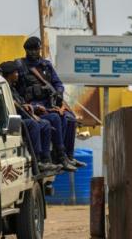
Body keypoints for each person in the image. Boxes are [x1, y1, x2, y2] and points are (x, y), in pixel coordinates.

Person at [15, 37, 84, 171]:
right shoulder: (21, 66)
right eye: (31, 50)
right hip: (33, 105)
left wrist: (58, 91)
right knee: (56, 118)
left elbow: (58, 83)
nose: (34, 52)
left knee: (70, 119)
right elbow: (15, 87)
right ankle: (60, 156)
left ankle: (69, 156)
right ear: (26, 50)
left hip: (49, 103)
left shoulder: (46, 65)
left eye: (36, 49)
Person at [0, 61, 60, 173]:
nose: (17, 75)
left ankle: (45, 159)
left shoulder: (12, 88)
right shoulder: (3, 89)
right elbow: (11, 107)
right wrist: (24, 108)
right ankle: (36, 159)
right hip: (12, 122)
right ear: (9, 75)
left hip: (23, 115)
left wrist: (34, 107)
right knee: (33, 125)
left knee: (46, 124)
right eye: (15, 72)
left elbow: (21, 103)